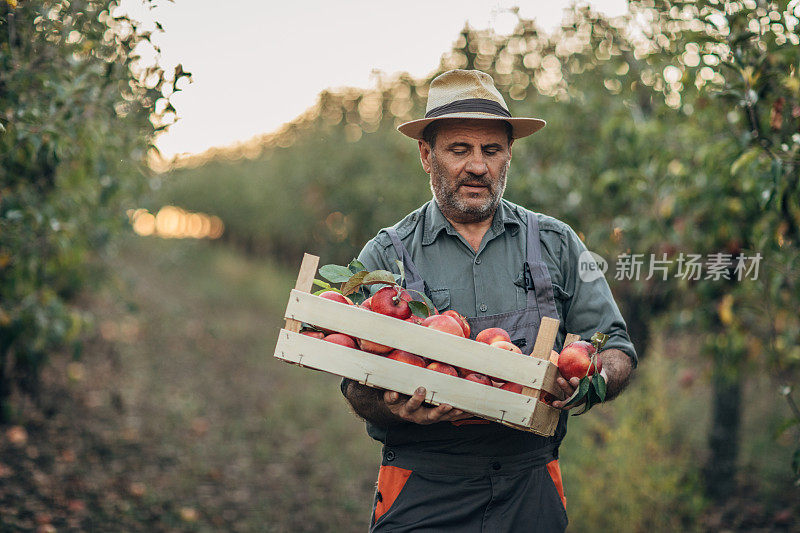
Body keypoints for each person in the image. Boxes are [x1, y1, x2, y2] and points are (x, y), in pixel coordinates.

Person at [340, 69, 637, 532]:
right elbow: (354, 383)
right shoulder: (385, 257)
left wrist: (590, 379)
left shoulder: (556, 244)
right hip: (422, 485)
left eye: (491, 150)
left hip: (530, 486)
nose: (478, 166)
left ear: (508, 156)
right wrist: (392, 405)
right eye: (460, 149)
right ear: (426, 154)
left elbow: (617, 347)